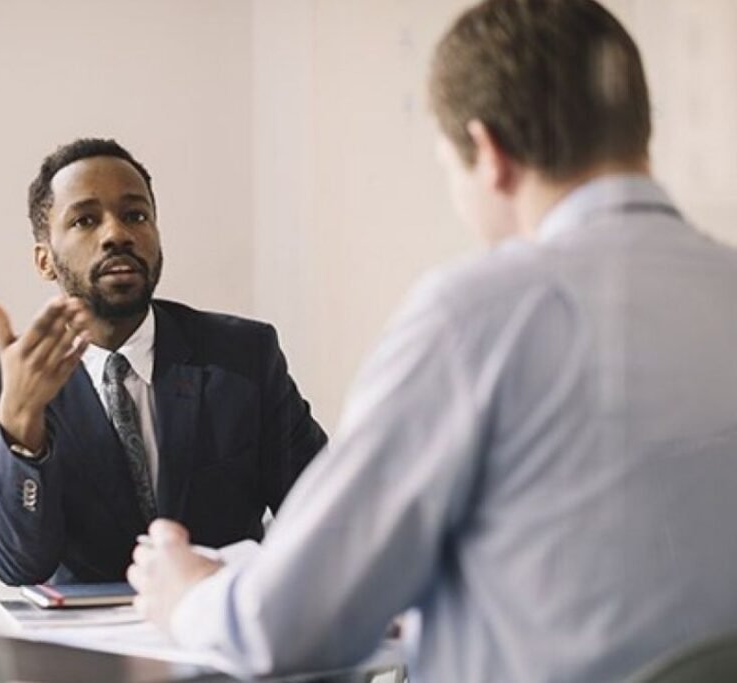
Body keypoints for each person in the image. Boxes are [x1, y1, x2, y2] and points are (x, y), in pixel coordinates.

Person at [127, 1, 737, 680]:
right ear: (637, 129)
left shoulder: (479, 314)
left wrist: (188, 594)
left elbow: (289, 625)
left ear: (491, 154)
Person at [0, 138, 327, 586]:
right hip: (82, 651)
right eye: (85, 220)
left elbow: (324, 512)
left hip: (216, 631)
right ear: (45, 260)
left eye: (136, 215)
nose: (117, 234)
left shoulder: (244, 356)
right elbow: (19, 565)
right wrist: (21, 422)